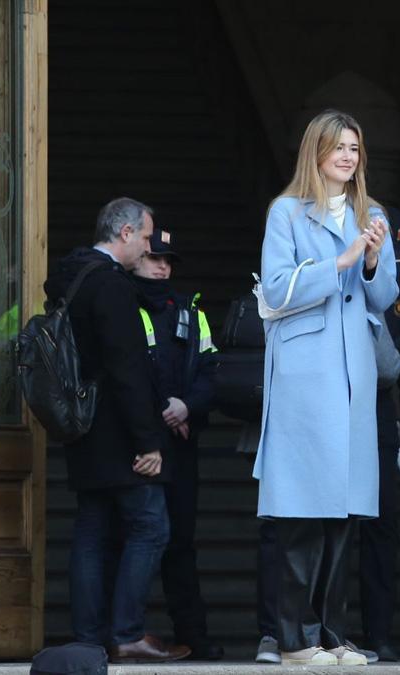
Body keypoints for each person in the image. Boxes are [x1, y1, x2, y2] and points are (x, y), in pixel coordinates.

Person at [254, 109, 398, 666]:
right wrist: (338, 260)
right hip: (304, 374)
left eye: (355, 148)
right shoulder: (287, 213)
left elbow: (382, 297)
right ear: (315, 153)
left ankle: (334, 636)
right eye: (338, 147)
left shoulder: (373, 212)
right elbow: (276, 288)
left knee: (344, 511)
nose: (347, 156)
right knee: (300, 510)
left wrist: (370, 260)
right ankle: (295, 640)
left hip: (353, 374)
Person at [44, 197, 189, 663]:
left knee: (91, 529)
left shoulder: (70, 277)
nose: (149, 247)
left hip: (82, 427)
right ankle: (126, 632)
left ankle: (89, 637)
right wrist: (149, 442)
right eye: (147, 238)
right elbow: (127, 369)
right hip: (120, 435)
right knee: (151, 526)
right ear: (125, 233)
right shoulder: (111, 286)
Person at [130, 228, 222, 660]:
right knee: (136, 540)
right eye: (155, 258)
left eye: (169, 260)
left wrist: (187, 407)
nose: (163, 266)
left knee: (180, 543)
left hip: (181, 446)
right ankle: (123, 630)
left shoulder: (190, 310)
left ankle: (193, 635)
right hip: (138, 445)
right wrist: (164, 411)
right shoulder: (121, 302)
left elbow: (210, 372)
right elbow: (123, 374)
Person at [358, 206, 400, 662]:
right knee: (333, 524)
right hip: (335, 395)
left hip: (382, 400)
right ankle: (326, 629)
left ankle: (378, 633)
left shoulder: (396, 264)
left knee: (382, 523)